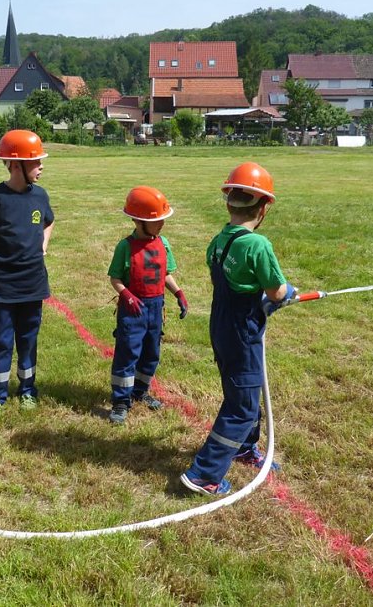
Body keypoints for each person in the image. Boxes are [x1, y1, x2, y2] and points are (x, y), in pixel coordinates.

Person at [180, 162, 295, 496]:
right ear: (263, 208)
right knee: (241, 407)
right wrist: (287, 293)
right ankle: (204, 474)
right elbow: (277, 292)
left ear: (229, 202)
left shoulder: (219, 241)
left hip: (221, 327)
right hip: (242, 333)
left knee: (245, 390)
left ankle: (244, 448)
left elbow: (236, 281)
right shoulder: (257, 245)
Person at [0, 130, 54, 417]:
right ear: (17, 164)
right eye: (37, 162)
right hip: (0, 286)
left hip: (32, 284)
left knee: (28, 340)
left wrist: (43, 245)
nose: (41, 167)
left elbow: (49, 222)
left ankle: (27, 390)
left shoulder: (40, 196)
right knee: (1, 341)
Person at [107, 186, 188, 425]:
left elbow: (165, 274)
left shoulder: (163, 243)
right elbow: (115, 278)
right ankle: (121, 401)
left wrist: (178, 293)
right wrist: (127, 295)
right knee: (127, 353)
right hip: (133, 310)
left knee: (151, 352)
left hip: (155, 309)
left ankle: (140, 392)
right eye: (157, 221)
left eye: (163, 219)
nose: (162, 224)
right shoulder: (125, 247)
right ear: (139, 221)